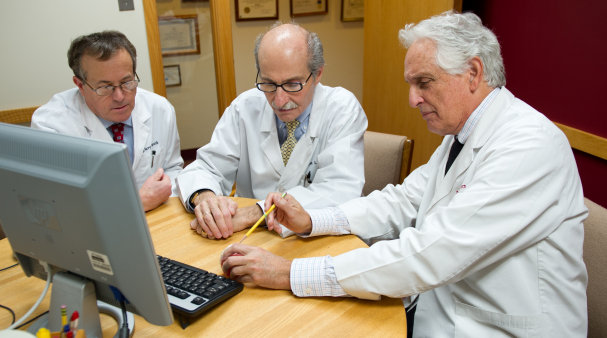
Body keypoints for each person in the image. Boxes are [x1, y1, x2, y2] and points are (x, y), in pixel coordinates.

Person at [220, 11, 589, 337]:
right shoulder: (462, 136)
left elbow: (429, 254)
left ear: (473, 73)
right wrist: (312, 220)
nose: (412, 99)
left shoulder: (528, 146)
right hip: (439, 310)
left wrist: (290, 273)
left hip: (491, 327)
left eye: (424, 83)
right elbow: (401, 200)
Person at [176, 22, 367, 240]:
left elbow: (340, 191)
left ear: (318, 73)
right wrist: (205, 198)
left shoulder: (341, 109)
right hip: (250, 239)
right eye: (268, 83)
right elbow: (206, 167)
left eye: (293, 84)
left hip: (318, 242)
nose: (279, 100)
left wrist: (255, 213)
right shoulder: (245, 107)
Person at [32, 31, 183, 212]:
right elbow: (57, 202)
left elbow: (173, 168)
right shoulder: (51, 126)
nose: (119, 97)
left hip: (158, 217)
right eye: (105, 87)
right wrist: (136, 204)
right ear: (80, 85)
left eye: (127, 82)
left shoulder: (159, 108)